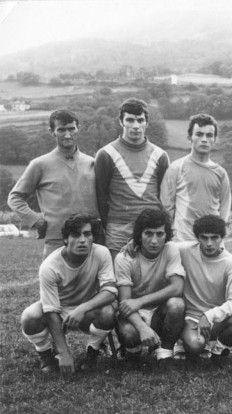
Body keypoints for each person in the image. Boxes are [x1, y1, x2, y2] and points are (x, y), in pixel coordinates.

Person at [20, 213, 116, 374]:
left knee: (108, 312)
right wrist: (64, 352)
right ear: (66, 239)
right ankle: (46, 356)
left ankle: (92, 353)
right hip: (59, 309)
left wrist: (82, 308)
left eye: (87, 234)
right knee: (30, 317)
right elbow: (50, 310)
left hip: (86, 309)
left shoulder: (101, 253)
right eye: (76, 235)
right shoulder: (50, 266)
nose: (83, 240)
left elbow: (110, 291)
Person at [8, 109, 99, 259]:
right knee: (55, 281)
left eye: (71, 128)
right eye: (61, 130)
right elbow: (15, 197)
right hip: (56, 241)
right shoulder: (39, 164)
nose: (67, 134)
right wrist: (35, 220)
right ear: (52, 132)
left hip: (91, 240)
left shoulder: (93, 163)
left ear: (78, 129)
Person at [95, 98, 170, 258]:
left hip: (152, 230)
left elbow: (165, 198)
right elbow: (101, 196)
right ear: (121, 122)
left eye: (140, 120)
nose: (135, 126)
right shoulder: (106, 154)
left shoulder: (160, 155)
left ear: (147, 123)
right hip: (118, 230)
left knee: (150, 280)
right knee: (119, 280)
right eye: (130, 120)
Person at [114, 209, 185, 368]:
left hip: (158, 311)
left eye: (160, 234)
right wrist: (141, 327)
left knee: (177, 304)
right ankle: (132, 352)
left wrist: (140, 301)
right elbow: (125, 302)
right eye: (148, 233)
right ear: (139, 235)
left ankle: (165, 353)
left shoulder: (170, 249)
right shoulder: (125, 257)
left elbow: (177, 287)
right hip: (133, 314)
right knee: (130, 334)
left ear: (166, 235)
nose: (154, 240)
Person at [178, 215, 232, 361]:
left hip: (218, 319)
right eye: (204, 238)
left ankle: (219, 349)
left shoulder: (230, 262)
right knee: (195, 345)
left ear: (222, 237)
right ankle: (183, 342)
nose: (209, 243)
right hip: (192, 316)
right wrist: (133, 242)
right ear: (197, 237)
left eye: (214, 237)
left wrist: (209, 316)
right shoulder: (185, 250)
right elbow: (162, 246)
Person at [160, 114, 231, 242]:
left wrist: (217, 235)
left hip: (211, 243)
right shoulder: (176, 168)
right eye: (199, 134)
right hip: (182, 241)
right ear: (189, 138)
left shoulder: (221, 173)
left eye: (209, 135)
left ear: (214, 140)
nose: (204, 139)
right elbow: (166, 208)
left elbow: (225, 208)